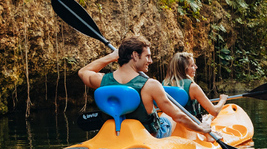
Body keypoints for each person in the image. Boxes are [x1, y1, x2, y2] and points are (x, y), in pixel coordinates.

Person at [78, 36, 212, 139]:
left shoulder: (102, 80)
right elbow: (179, 117)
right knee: (170, 112)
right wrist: (201, 128)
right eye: (147, 56)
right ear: (135, 56)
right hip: (150, 135)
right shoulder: (151, 85)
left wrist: (111, 57)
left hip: (119, 134)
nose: (150, 61)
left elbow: (83, 72)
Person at [163, 52, 227, 121]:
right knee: (211, 116)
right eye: (192, 65)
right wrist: (222, 100)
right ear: (185, 69)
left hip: (175, 125)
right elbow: (215, 112)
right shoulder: (192, 87)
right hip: (192, 127)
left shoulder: (164, 84)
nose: (196, 67)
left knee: (207, 117)